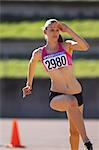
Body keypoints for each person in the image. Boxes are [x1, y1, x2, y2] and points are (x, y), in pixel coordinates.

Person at [22, 19, 93, 150]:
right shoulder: (39, 53)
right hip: (57, 95)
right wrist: (29, 84)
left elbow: (85, 46)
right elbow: (31, 64)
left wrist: (68, 30)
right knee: (71, 102)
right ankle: (87, 142)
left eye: (57, 29)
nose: (55, 32)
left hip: (76, 93)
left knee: (74, 132)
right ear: (45, 31)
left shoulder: (66, 46)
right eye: (51, 29)